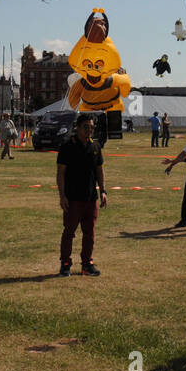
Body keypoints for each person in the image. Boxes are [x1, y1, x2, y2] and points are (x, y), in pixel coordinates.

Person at [56, 113, 106, 277]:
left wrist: (103, 191)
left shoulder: (96, 146)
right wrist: (62, 196)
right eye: (86, 127)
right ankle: (65, 264)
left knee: (89, 234)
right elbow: (60, 173)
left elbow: (99, 170)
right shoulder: (67, 146)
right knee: (69, 233)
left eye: (92, 127)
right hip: (72, 199)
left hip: (91, 198)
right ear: (77, 127)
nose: (89, 130)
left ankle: (87, 264)